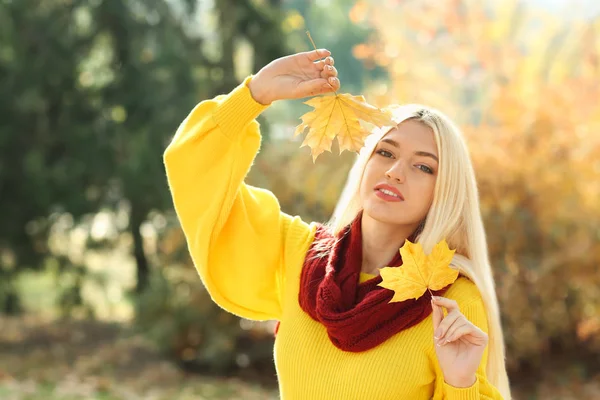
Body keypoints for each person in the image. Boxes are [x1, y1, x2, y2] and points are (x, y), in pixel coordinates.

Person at [163, 48, 512, 399]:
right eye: (386, 152)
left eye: (423, 167)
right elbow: (194, 169)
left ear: (446, 191)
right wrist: (254, 95)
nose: (395, 172)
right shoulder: (299, 252)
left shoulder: (450, 301)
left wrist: (461, 384)